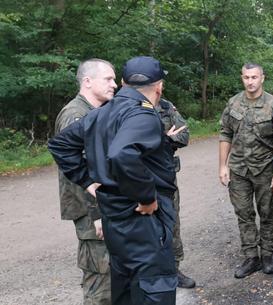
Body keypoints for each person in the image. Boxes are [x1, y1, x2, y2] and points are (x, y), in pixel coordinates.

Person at [49, 56, 178, 305]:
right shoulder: (142, 113)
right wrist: (147, 197)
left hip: (116, 221)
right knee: (153, 288)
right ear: (159, 85)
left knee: (125, 288)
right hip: (142, 220)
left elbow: (60, 145)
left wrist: (89, 182)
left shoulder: (104, 112)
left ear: (123, 82)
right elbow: (122, 154)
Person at [54, 58, 116, 305]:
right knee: (100, 280)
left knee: (112, 275)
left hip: (103, 206)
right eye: (108, 79)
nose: (114, 84)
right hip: (92, 211)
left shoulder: (96, 112)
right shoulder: (75, 115)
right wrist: (97, 215)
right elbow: (81, 171)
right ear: (88, 82)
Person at [218, 63, 273, 279]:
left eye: (254, 77)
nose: (250, 81)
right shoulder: (234, 103)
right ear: (242, 78)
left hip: (265, 169)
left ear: (262, 78)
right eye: (246, 77)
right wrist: (222, 165)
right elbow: (225, 133)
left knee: (267, 212)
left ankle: (267, 254)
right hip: (239, 169)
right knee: (244, 213)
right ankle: (251, 257)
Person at [155, 98, 196, 288]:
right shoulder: (123, 106)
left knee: (171, 222)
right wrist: (163, 138)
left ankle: (173, 270)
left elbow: (184, 134)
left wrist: (166, 140)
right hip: (137, 177)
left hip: (166, 176)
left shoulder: (165, 106)